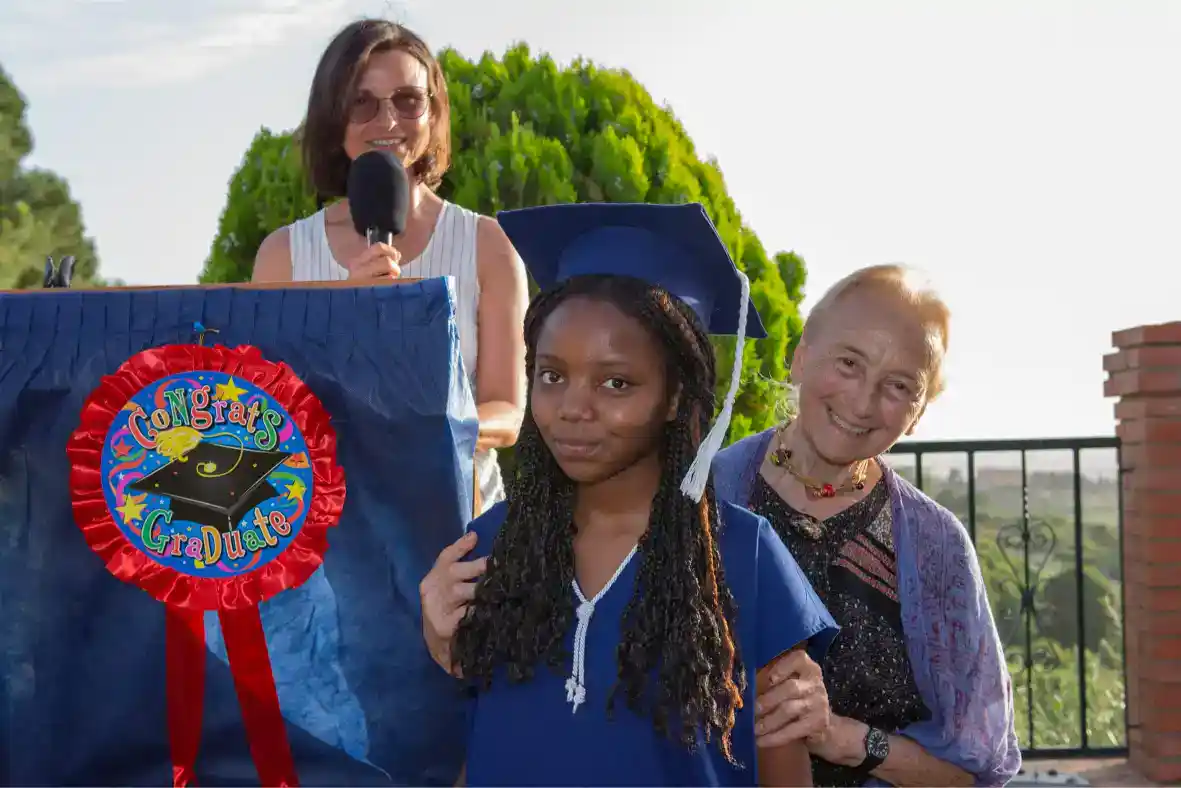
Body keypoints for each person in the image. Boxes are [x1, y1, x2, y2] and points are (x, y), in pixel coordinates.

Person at [419, 203, 840, 786]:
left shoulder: (740, 560)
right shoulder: (488, 549)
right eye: (551, 375)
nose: (573, 408)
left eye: (616, 382)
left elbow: (783, 776)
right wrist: (440, 644)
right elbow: (476, 750)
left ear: (675, 398)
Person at [712, 264, 1022, 787]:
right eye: (849, 363)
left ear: (918, 414)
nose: (862, 401)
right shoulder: (702, 500)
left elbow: (972, 777)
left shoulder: (935, 546)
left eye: (898, 386)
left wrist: (846, 738)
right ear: (802, 356)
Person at [252, 19, 527, 513]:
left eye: (408, 99)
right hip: (335, 529)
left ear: (433, 111)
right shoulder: (282, 257)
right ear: (332, 118)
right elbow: (268, 416)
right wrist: (346, 319)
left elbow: (508, 412)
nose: (388, 121)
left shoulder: (487, 245)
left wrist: (430, 428)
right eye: (363, 103)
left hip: (462, 520)